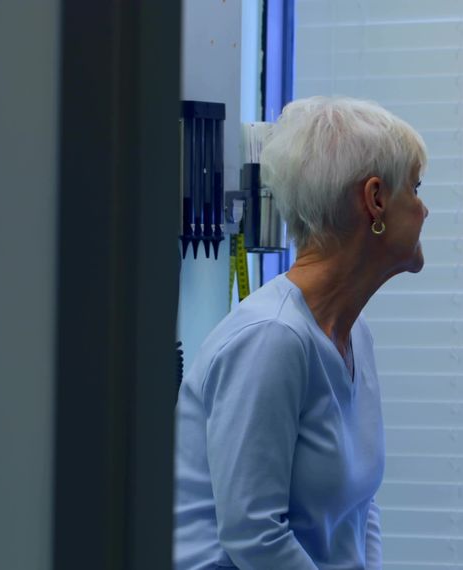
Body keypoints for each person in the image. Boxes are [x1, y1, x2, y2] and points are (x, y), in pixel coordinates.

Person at [174, 96, 429, 569]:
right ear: (375, 199)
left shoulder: (354, 334)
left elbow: (359, 510)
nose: (424, 210)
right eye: (414, 189)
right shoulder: (270, 338)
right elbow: (254, 534)